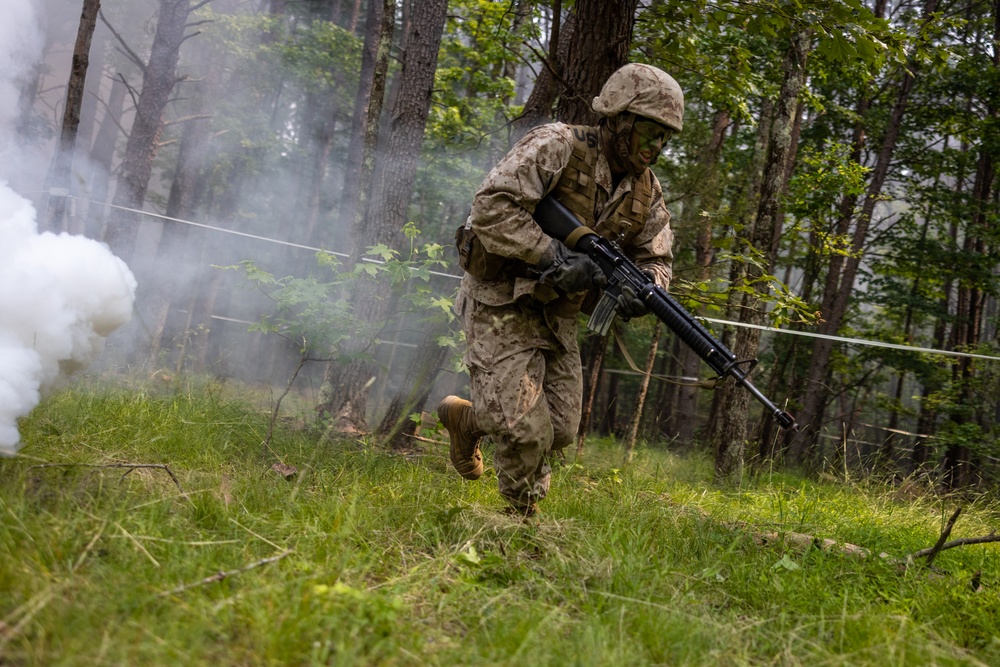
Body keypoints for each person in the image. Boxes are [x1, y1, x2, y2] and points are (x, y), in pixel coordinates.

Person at [438, 63, 682, 517]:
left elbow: (658, 256)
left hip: (557, 315)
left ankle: (466, 420)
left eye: (665, 138)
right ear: (619, 119)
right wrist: (551, 255)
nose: (656, 147)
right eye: (649, 133)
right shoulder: (558, 145)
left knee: (562, 429)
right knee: (525, 431)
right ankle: (519, 525)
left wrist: (646, 288)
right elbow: (491, 206)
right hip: (502, 299)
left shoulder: (646, 191)